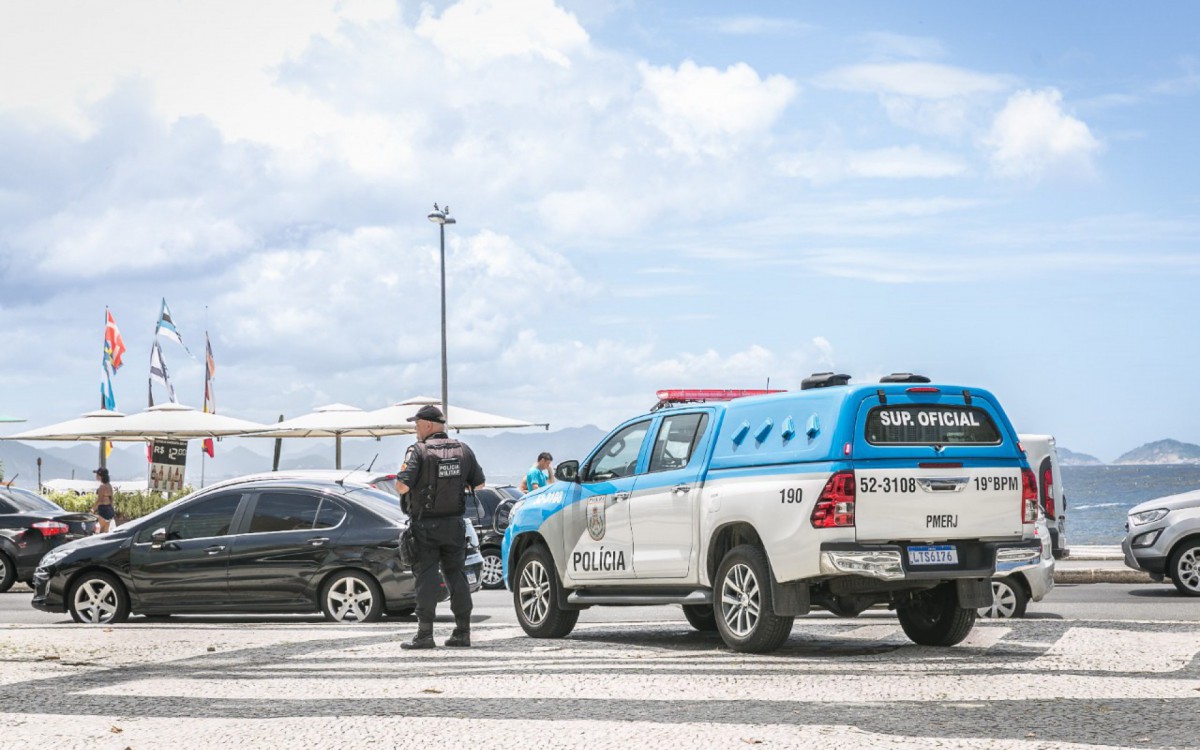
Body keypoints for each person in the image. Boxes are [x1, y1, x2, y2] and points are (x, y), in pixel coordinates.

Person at [395, 405, 485, 649]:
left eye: (416, 425)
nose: (415, 429)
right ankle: (462, 632)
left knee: (426, 578)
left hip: (425, 525)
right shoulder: (463, 450)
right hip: (455, 524)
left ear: (426, 425)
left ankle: (425, 635)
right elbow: (479, 484)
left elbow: (402, 487)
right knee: (457, 576)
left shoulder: (418, 451)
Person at [92, 468, 115, 533]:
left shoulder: (102, 486)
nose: (96, 476)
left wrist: (93, 509)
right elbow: (111, 499)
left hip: (103, 509)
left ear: (100, 476)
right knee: (106, 531)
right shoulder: (109, 485)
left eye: (97, 474)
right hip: (109, 509)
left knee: (101, 531)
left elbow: (99, 500)